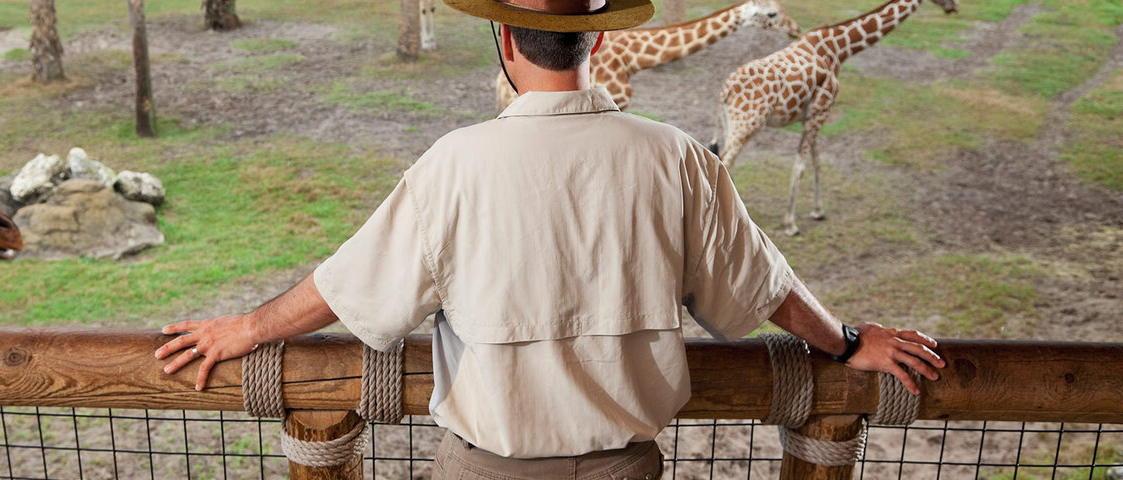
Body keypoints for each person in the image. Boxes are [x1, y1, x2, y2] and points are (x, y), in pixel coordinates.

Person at [154, 0, 947, 477]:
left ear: (505, 42)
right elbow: (761, 286)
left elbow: (353, 287)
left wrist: (244, 330)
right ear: (597, 41)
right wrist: (846, 342)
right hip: (627, 470)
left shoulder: (452, 164)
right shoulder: (675, 157)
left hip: (482, 470)